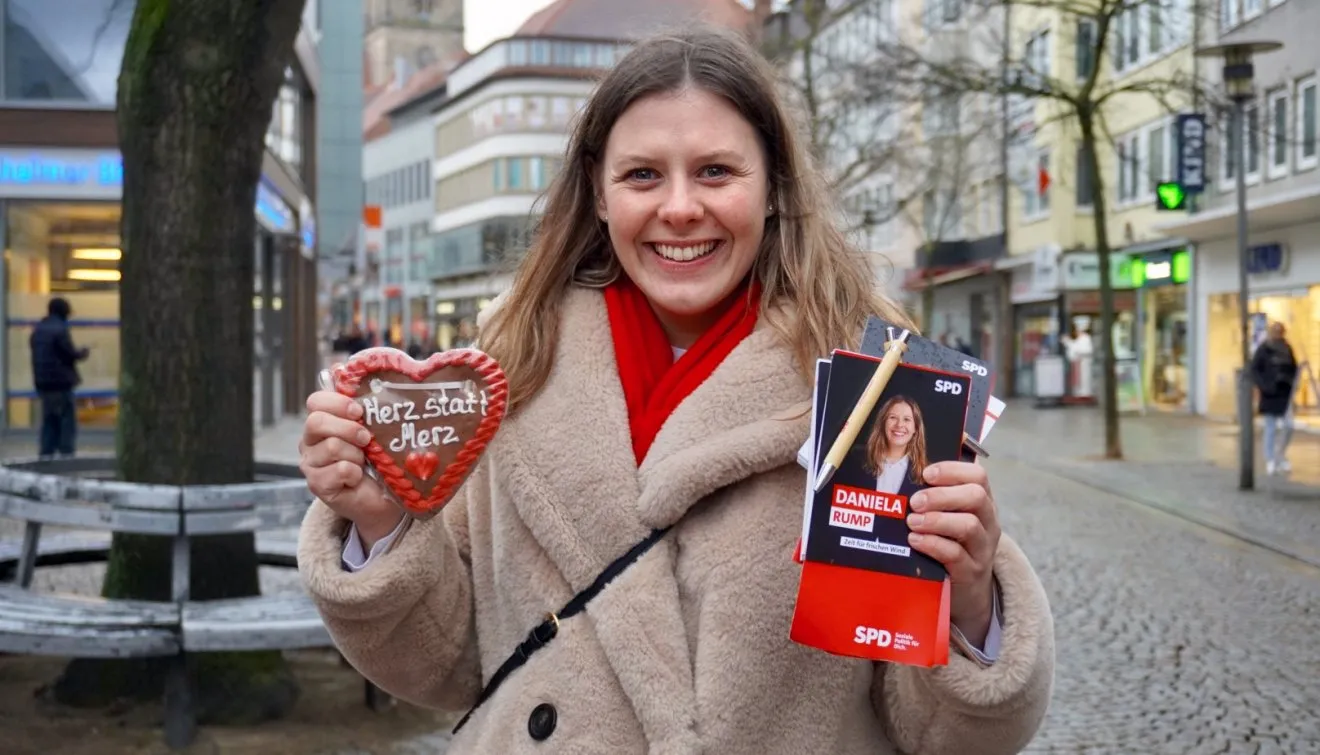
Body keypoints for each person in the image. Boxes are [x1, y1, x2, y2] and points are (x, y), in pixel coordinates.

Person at [297, 26, 1053, 753]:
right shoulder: (513, 365)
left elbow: (943, 734)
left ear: (772, 188)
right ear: (598, 193)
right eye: (643, 174)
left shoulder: (875, 386)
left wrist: (972, 594)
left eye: (717, 171)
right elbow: (449, 664)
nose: (681, 207)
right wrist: (381, 523)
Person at [29, 297, 90, 459]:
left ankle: (46, 454)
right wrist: (83, 353)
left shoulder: (38, 330)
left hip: (43, 383)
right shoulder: (60, 329)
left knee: (49, 420)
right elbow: (69, 354)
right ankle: (66, 454)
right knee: (66, 421)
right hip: (61, 383)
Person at [1250, 321, 1298, 475]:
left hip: (1285, 393)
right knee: (1270, 427)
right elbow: (1255, 369)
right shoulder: (1264, 349)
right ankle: (1270, 458)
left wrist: (1293, 383)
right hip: (1270, 393)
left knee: (1288, 426)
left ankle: (1280, 455)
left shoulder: (1287, 348)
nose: (1278, 334)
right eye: (1276, 331)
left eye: (1280, 331)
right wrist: (1264, 385)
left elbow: (1293, 368)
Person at [864, 395, 928, 498]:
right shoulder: (856, 459)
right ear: (883, 422)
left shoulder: (925, 473)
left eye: (907, 419)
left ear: (915, 428)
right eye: (893, 417)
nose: (899, 425)